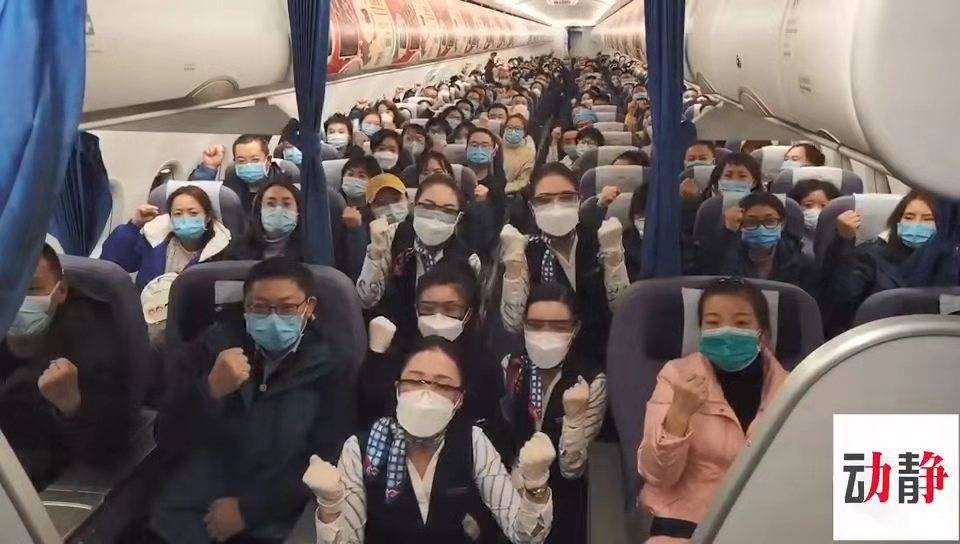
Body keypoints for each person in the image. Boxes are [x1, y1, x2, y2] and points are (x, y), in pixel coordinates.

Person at [149, 258, 356, 544]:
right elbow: (167, 437)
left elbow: (328, 456)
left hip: (279, 515)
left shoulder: (332, 361)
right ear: (245, 308)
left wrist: (249, 510)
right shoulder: (212, 345)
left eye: (287, 308)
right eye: (260, 307)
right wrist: (209, 392)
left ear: (309, 308)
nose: (273, 318)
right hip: (196, 507)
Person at [303, 338, 555, 544]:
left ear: (458, 400)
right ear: (398, 389)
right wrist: (330, 508)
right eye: (415, 381)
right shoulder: (360, 449)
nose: (426, 393)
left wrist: (536, 487)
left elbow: (524, 536)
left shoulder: (473, 442)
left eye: (442, 385)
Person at [638, 277, 789, 543]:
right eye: (713, 322)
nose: (726, 332)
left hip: (763, 528)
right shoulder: (676, 376)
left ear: (762, 332)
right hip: (684, 529)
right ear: (700, 330)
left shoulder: (792, 389)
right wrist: (679, 415)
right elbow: (657, 475)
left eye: (741, 323)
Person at [0, 245, 135, 489]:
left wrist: (72, 407)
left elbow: (109, 448)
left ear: (60, 291)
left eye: (31, 289)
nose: (17, 301)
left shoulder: (94, 339)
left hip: (43, 480)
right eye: (7, 289)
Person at [500, 283, 607, 544]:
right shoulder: (512, 367)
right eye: (536, 325)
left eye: (558, 327)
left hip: (563, 497)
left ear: (575, 329)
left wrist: (574, 419)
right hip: (512, 490)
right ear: (524, 326)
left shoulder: (591, 381)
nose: (546, 334)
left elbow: (572, 470)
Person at [360, 262, 506, 445]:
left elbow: (493, 429)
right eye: (428, 309)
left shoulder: (484, 363)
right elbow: (370, 412)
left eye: (450, 309)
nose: (438, 317)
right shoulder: (399, 352)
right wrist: (376, 356)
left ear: (468, 313)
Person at [498, 163, 629, 366]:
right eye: (545, 200)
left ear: (579, 201)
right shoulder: (523, 249)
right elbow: (512, 324)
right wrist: (515, 265)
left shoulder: (601, 241)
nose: (556, 207)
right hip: (540, 358)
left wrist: (613, 258)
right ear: (532, 208)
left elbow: (623, 312)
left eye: (566, 198)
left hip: (601, 355)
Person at [357, 174, 481, 328]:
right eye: (428, 207)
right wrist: (376, 253)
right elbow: (366, 300)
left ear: (458, 218)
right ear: (414, 206)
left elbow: (472, 319)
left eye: (447, 210)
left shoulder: (468, 260)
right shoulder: (392, 236)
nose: (435, 216)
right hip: (396, 332)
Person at [822, 190, 951, 336]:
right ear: (898, 222)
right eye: (908, 217)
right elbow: (840, 302)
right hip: (878, 338)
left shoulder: (952, 265)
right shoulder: (869, 257)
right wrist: (844, 240)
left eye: (928, 219)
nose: (916, 224)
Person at [101, 185, 231, 292]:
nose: (185, 219)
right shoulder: (154, 240)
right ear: (170, 218)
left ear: (207, 217)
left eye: (193, 213)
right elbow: (115, 263)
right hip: (146, 310)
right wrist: (135, 225)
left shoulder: (221, 251)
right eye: (178, 214)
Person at [695, 192, 819, 296]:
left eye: (770, 221)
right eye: (751, 222)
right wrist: (728, 232)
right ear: (740, 225)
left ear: (782, 224)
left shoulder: (802, 261)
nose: (761, 227)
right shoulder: (723, 254)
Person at [188, 135, 289, 213]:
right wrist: (209, 167)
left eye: (255, 160)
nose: (248, 165)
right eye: (241, 161)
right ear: (235, 162)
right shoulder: (228, 190)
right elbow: (193, 196)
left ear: (268, 160)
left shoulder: (285, 188)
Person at [229, 179, 306, 261]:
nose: (278, 210)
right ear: (259, 210)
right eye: (270, 204)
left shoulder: (309, 250)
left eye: (286, 204)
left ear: (298, 210)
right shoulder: (239, 249)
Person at [787, 179, 841, 257]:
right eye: (808, 205)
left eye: (823, 206)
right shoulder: (786, 236)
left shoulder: (840, 235)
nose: (815, 211)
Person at [501, 114, 536, 195]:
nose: (513, 131)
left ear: (524, 132)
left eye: (518, 129)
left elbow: (523, 181)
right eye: (510, 127)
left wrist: (503, 190)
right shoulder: (496, 146)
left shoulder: (528, 153)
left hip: (510, 193)